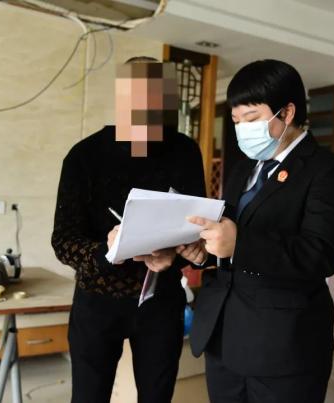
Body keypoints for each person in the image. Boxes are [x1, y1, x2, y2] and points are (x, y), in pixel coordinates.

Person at [178, 59, 334, 403]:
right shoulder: (242, 168)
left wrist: (239, 245)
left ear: (287, 112)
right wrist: (204, 253)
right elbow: (228, 235)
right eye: (236, 121)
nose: (242, 129)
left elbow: (321, 254)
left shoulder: (329, 170)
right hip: (223, 335)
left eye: (251, 119)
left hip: (283, 346)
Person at [51, 57, 206, 403]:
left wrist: (177, 254)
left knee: (157, 395)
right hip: (97, 299)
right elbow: (63, 241)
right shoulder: (85, 155)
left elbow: (195, 227)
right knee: (89, 396)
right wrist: (107, 250)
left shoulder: (184, 151)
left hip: (161, 300)